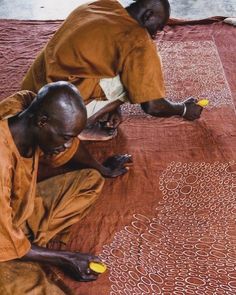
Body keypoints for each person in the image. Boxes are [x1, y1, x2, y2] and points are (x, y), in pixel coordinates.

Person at [5, 0, 202, 141]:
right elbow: (152, 105)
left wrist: (114, 107)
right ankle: (81, 126)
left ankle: (93, 111)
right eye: (157, 27)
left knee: (130, 64)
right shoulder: (138, 39)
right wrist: (183, 109)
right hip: (57, 108)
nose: (155, 34)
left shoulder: (101, 5)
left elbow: (98, 56)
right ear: (148, 15)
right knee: (145, 69)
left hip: (34, 86)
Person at [0, 81, 131, 294]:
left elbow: (68, 150)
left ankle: (27, 248)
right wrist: (66, 258)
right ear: (42, 122)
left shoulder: (25, 105)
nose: (69, 144)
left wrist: (101, 169)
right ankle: (21, 252)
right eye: (66, 137)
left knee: (90, 181)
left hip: (13, 215)